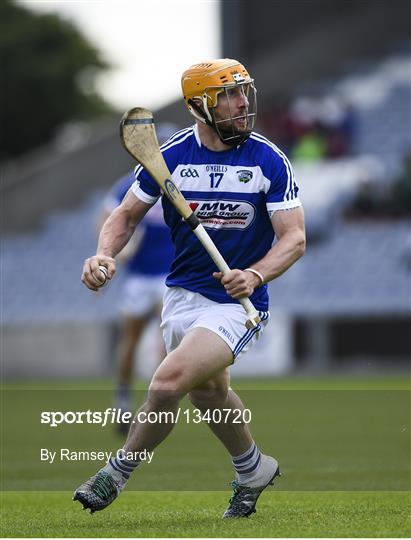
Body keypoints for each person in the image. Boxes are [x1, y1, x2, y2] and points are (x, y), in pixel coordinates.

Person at [74, 58, 306, 518]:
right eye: (229, 95)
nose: (243, 103)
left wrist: (256, 274)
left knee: (167, 383)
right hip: (181, 296)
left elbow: (294, 238)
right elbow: (124, 216)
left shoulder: (266, 159)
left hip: (236, 303)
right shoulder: (172, 157)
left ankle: (115, 473)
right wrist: (104, 254)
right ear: (202, 106)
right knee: (208, 394)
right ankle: (253, 468)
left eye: (244, 92)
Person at [100, 173, 174, 429]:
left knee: (165, 339)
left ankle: (156, 404)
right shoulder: (130, 183)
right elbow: (107, 217)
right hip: (138, 277)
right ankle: (122, 399)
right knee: (130, 339)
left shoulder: (182, 179)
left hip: (170, 274)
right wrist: (113, 251)